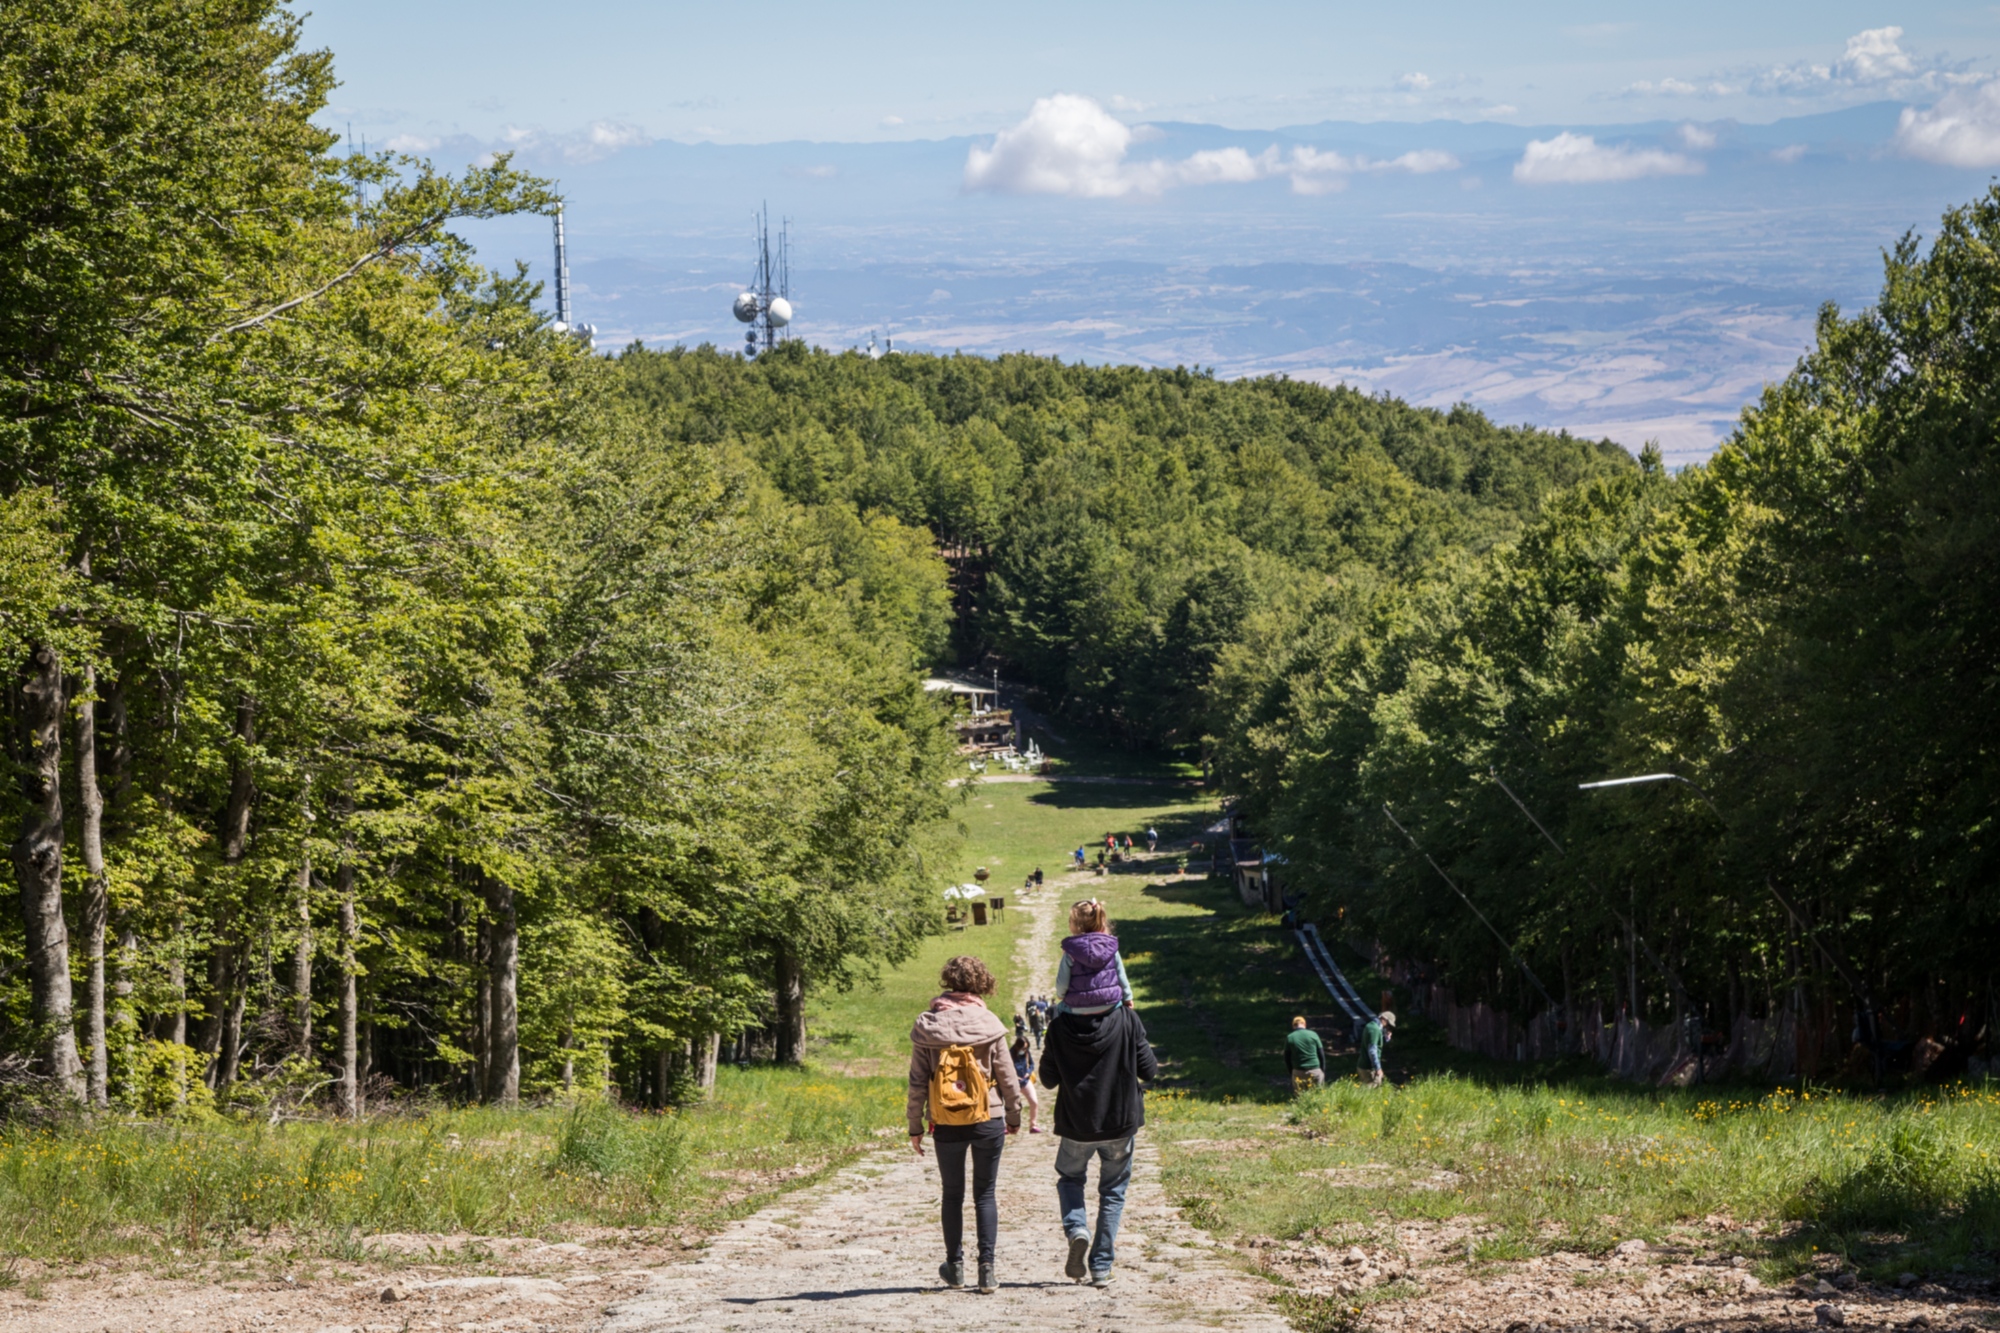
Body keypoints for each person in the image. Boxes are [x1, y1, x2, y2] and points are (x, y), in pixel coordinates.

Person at [907, 954, 1022, 1294]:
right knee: (985, 1194)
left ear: (947, 982)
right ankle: (987, 1270)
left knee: (952, 1194)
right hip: (989, 1116)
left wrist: (916, 1127)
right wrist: (1013, 1117)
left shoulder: (928, 1026)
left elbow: (917, 1083)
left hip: (945, 1120)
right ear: (980, 984)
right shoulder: (988, 1024)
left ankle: (954, 1267)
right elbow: (1008, 1078)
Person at [1039, 975, 1158, 1287]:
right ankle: (1102, 1266)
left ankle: (1077, 1229)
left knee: (1070, 1179)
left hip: (1076, 1123)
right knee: (1113, 1192)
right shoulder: (1128, 1019)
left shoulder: (1059, 1026)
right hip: (1120, 1121)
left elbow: (1048, 1079)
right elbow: (1150, 1070)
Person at [1051, 899, 1133, 1015]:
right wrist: (1128, 997)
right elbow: (1121, 975)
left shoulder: (1070, 951)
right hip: (1110, 1004)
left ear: (1075, 925)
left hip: (1078, 1006)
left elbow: (1062, 983)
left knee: (1058, 1011)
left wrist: (1060, 995)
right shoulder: (1111, 948)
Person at [1010, 1032, 1044, 1133]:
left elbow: (1032, 1064)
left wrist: (1028, 1073)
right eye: (1023, 1048)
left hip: (1025, 1082)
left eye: (1026, 1048)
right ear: (1017, 1046)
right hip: (1014, 1083)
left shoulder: (1027, 1053)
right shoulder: (1009, 1054)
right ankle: (1010, 1126)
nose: (1024, 1050)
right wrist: (1014, 1077)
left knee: (1034, 1102)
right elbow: (1006, 1068)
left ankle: (1033, 1125)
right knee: (1013, 1106)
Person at [1285, 1015, 1326, 1093]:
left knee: (1300, 1096)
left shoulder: (1290, 1037)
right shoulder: (1314, 1035)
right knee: (1318, 1094)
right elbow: (1321, 1054)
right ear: (1305, 1024)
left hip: (1298, 1070)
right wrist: (1322, 1070)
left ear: (1293, 1026)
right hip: (1315, 1070)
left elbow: (1287, 1057)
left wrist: (1291, 1071)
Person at [1359, 1010, 1389, 1086]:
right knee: (1371, 1093)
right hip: (1369, 1069)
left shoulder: (1371, 1026)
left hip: (1363, 1066)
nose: (1387, 1026)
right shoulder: (1375, 1030)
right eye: (1388, 1023)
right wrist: (1378, 1068)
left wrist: (1386, 1038)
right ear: (1383, 1019)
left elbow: (1375, 1042)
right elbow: (1372, 1051)